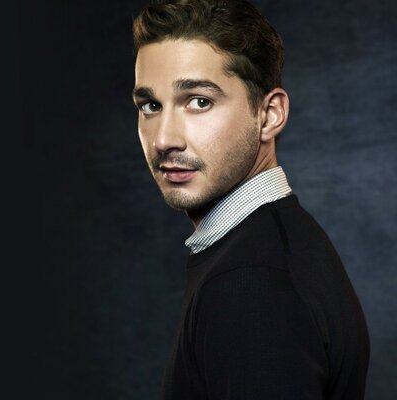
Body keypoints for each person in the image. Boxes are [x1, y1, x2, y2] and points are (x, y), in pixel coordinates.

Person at [131, 0, 370, 399]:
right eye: (151, 106)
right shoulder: (275, 244)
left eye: (199, 101)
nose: (163, 139)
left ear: (270, 114)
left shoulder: (251, 282)